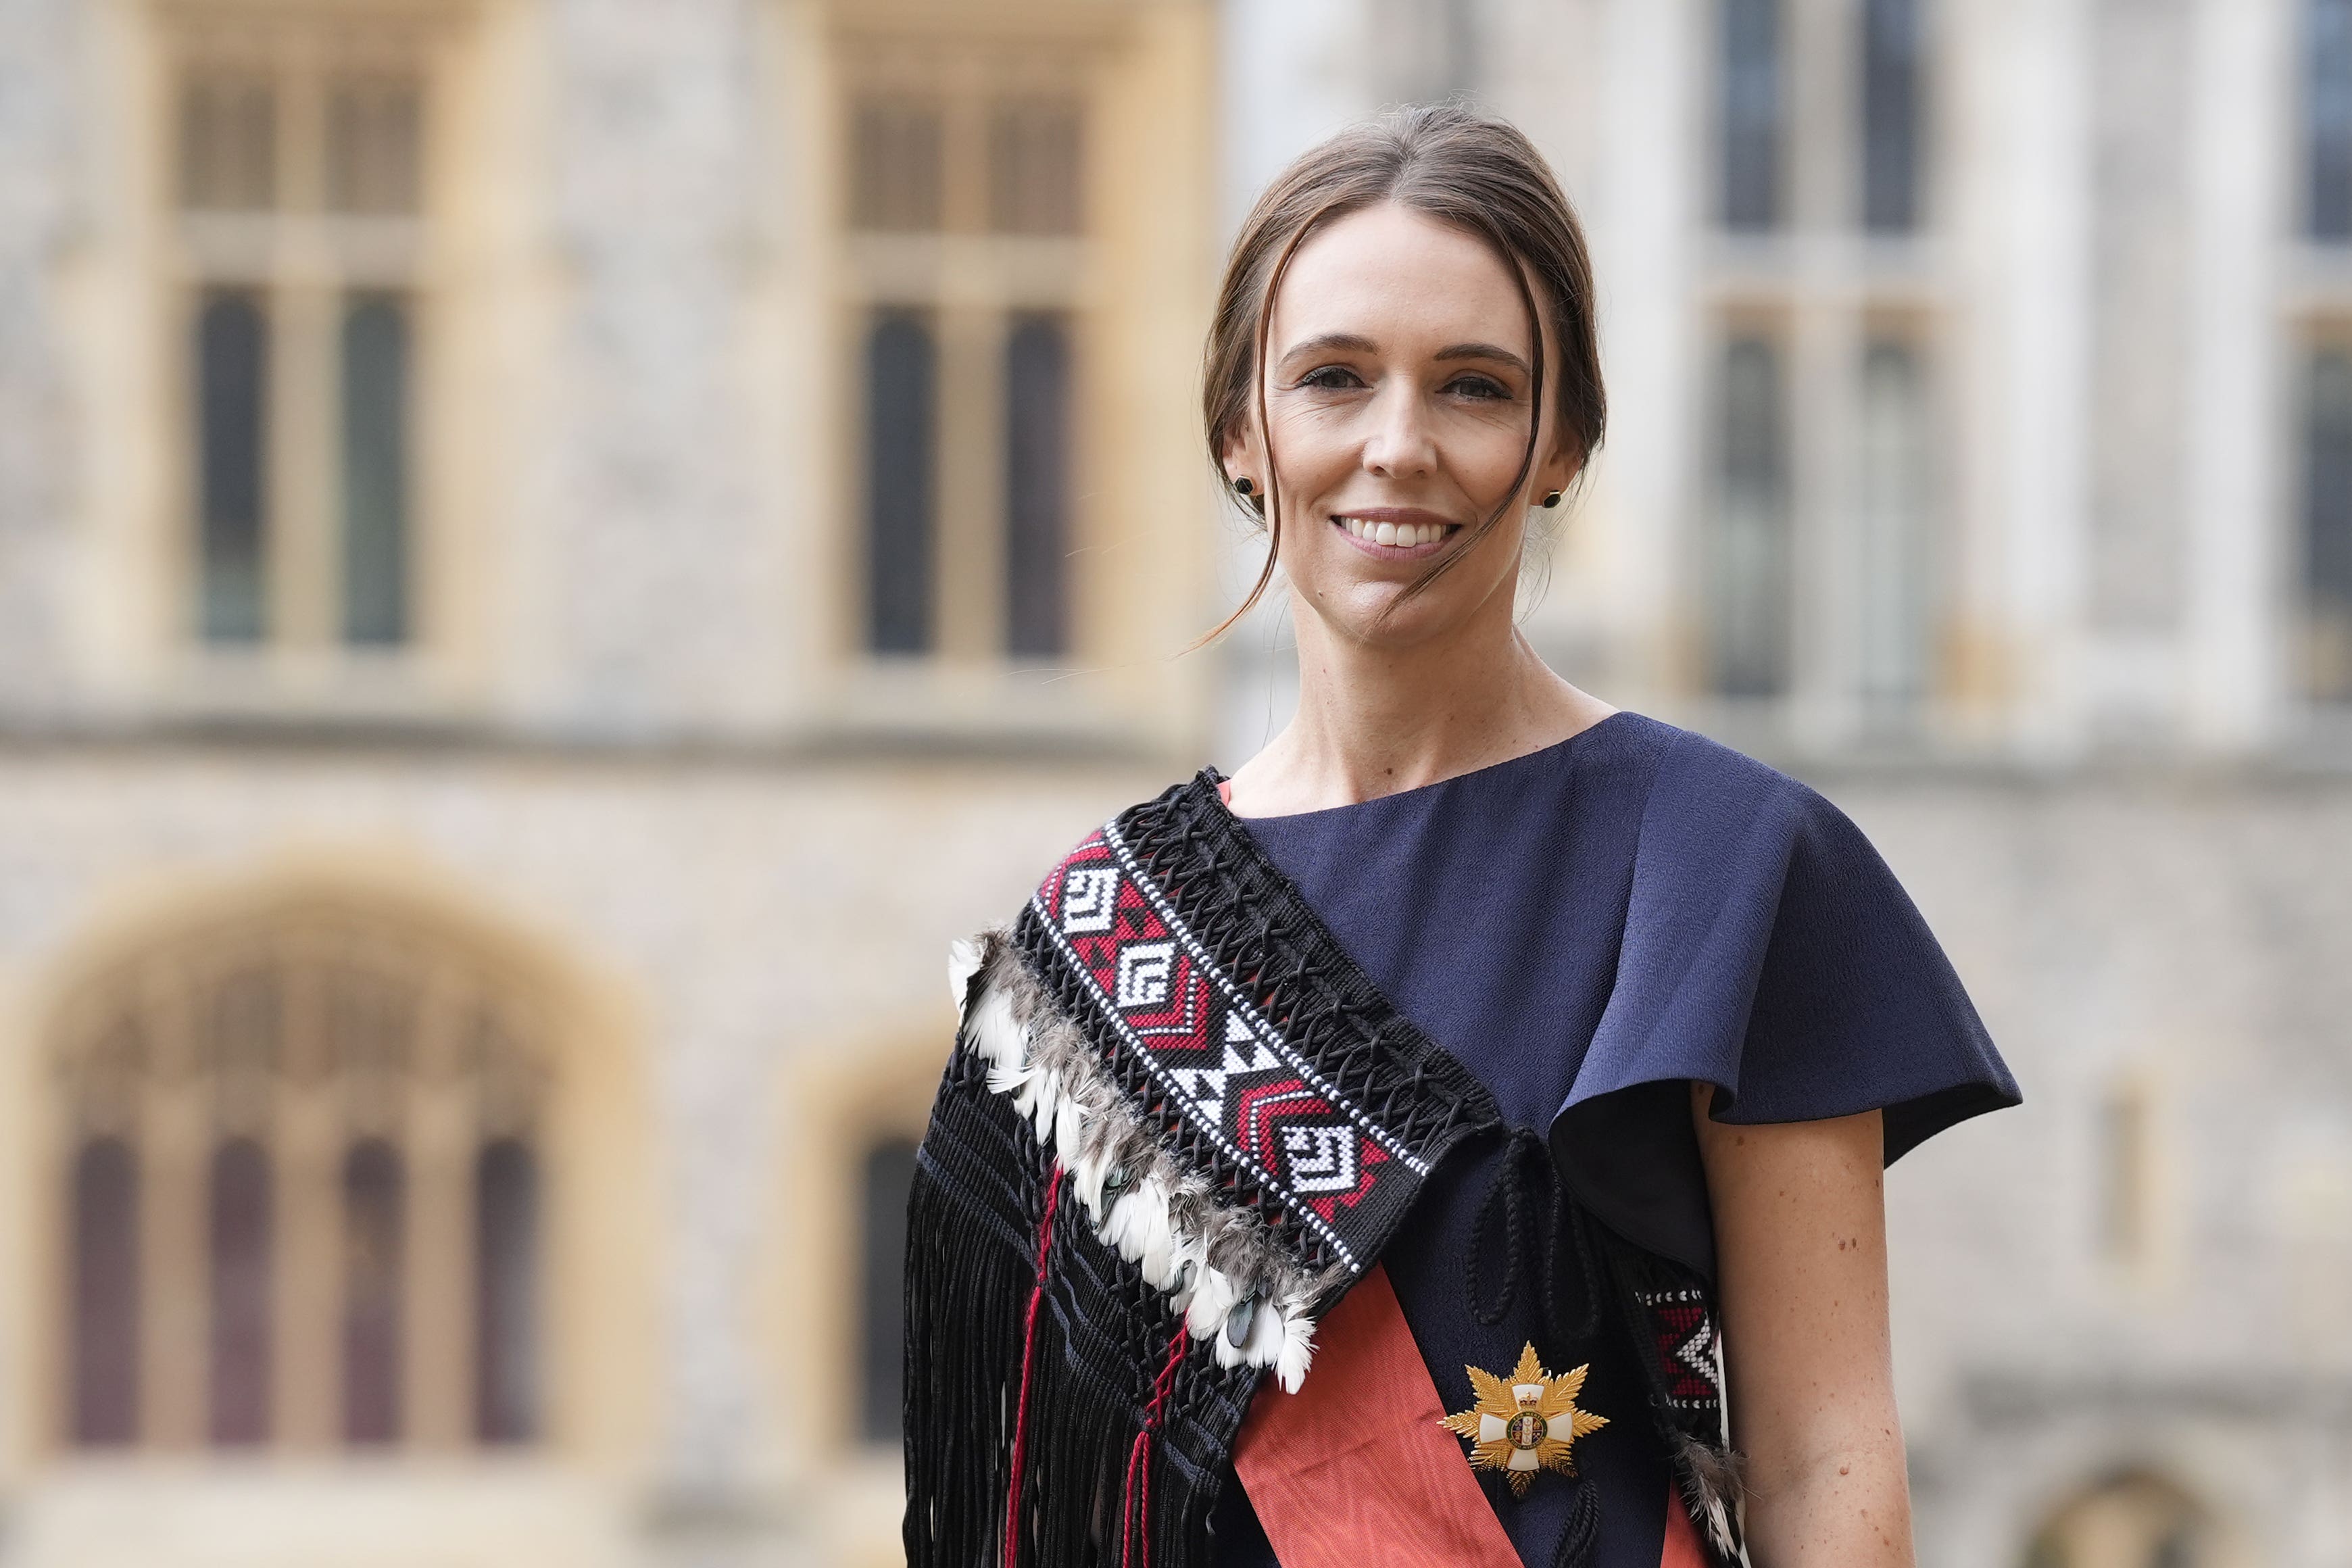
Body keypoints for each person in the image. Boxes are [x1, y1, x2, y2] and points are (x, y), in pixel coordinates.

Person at [903, 104, 2018, 1568]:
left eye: (1475, 387)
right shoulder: (1099, 934)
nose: (1398, 445)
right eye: (1334, 379)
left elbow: (1824, 1461)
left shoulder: (1728, 867)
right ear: (1245, 434)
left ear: (1559, 441)